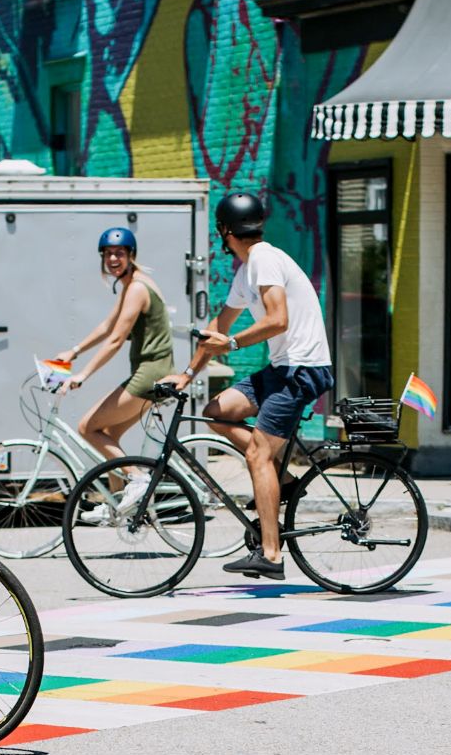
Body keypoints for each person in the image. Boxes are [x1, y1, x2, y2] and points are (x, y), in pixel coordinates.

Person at [171, 192, 333, 580]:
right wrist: (187, 375)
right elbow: (218, 330)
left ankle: (272, 554)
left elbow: (277, 320)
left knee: (258, 455)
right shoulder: (246, 271)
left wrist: (233, 344)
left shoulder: (263, 259)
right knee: (216, 412)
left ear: (225, 231)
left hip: (302, 369)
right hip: (283, 368)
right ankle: (288, 481)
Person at [55, 226, 175, 461]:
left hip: (150, 374)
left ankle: (138, 480)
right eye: (107, 253)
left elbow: (115, 340)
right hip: (156, 371)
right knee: (108, 435)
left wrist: (83, 375)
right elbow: (107, 326)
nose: (112, 259)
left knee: (87, 427)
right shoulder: (132, 285)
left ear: (131, 255)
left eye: (119, 253)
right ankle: (121, 495)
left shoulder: (137, 288)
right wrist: (74, 351)